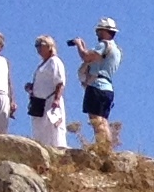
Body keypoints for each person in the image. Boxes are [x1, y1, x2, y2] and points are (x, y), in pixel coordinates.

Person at [69, 18, 121, 150]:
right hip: (108, 87)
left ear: (104, 31)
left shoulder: (104, 45)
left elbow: (86, 57)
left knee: (96, 119)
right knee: (103, 120)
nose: (97, 33)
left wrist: (79, 45)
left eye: (98, 30)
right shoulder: (117, 50)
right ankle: (107, 148)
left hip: (96, 85)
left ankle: (101, 147)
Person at [26, 36, 72, 154]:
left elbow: (60, 82)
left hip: (50, 102)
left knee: (53, 129)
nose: (38, 49)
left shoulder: (55, 61)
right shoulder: (42, 65)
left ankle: (57, 153)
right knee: (40, 130)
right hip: (39, 103)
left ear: (49, 46)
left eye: (41, 45)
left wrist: (56, 99)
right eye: (37, 46)